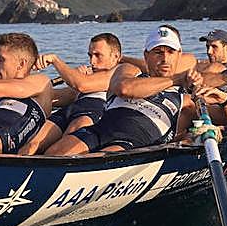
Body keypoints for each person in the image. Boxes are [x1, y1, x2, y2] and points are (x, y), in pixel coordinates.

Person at [46, 26, 208, 155]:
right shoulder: (128, 70)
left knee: (98, 159)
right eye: (158, 52)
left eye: (171, 52)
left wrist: (219, 104)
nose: (165, 58)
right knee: (55, 153)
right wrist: (176, 79)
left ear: (179, 55)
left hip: (132, 143)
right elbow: (124, 88)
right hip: (100, 130)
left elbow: (219, 116)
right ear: (146, 55)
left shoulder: (185, 99)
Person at [20, 33, 122, 155]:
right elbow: (54, 96)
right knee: (32, 144)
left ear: (115, 57)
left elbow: (82, 85)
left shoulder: (120, 73)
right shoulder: (86, 77)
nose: (92, 61)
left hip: (91, 112)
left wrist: (55, 60)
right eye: (90, 55)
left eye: (98, 55)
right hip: (70, 109)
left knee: (63, 149)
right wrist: (25, 85)